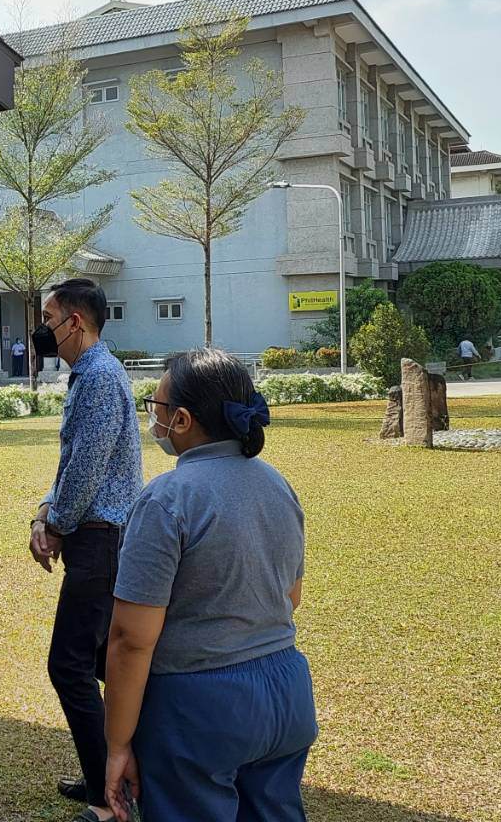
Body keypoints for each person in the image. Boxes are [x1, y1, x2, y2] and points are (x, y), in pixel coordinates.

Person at [104, 349, 315, 822]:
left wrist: (117, 744)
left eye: (155, 409)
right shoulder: (277, 484)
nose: (152, 421)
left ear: (180, 420)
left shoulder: (166, 499)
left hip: (199, 707)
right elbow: (291, 597)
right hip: (286, 692)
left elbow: (130, 639)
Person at [27, 278, 143, 822]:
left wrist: (55, 524)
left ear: (75, 322)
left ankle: (107, 798)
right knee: (99, 660)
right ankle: (114, 773)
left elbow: (88, 469)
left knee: (69, 665)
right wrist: (44, 513)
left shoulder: (97, 377)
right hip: (95, 536)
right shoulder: (90, 375)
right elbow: (71, 464)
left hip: (100, 539)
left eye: (48, 317)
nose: (41, 329)